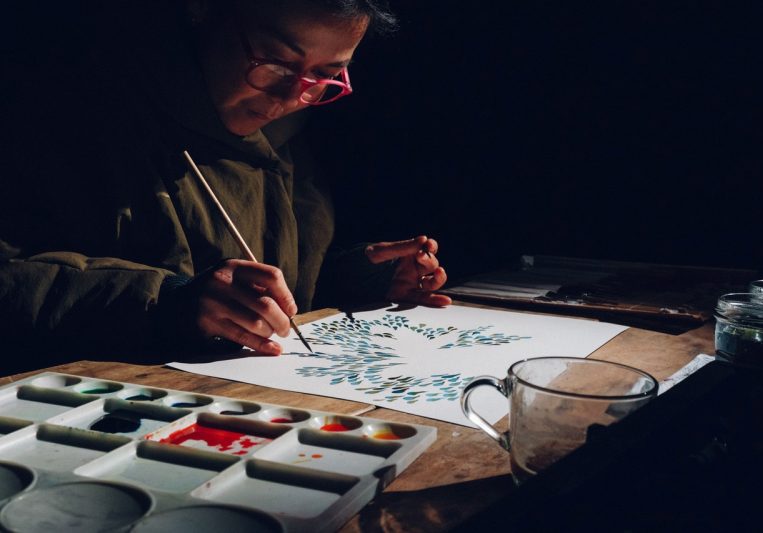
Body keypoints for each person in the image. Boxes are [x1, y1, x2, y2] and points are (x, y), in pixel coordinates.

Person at [0, 0, 450, 372]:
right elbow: (15, 283)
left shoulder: (282, 136)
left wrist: (360, 279)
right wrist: (168, 302)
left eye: (325, 75)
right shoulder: (68, 112)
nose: (291, 97)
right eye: (276, 62)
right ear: (203, 10)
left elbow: (268, 287)